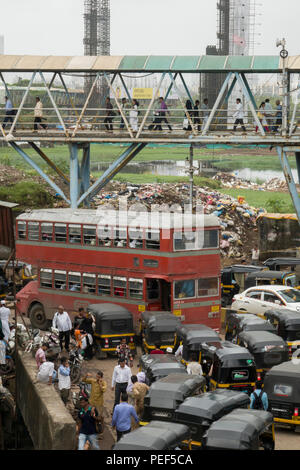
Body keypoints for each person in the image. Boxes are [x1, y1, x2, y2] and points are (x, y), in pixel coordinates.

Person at [82, 370, 107, 438]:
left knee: (99, 418)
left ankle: (100, 433)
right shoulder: (93, 381)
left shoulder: (104, 383)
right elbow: (83, 380)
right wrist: (86, 375)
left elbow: (104, 390)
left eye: (98, 377)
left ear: (101, 377)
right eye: (97, 376)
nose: (97, 378)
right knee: (90, 416)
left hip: (99, 403)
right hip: (92, 402)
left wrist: (100, 384)